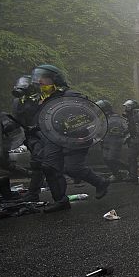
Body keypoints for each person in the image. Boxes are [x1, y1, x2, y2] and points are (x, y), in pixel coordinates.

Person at [30, 64, 109, 212]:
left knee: (72, 168)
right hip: (54, 139)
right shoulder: (41, 100)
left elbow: (90, 114)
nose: (40, 82)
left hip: (75, 137)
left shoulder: (71, 96)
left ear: (55, 80)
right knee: (50, 167)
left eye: (44, 79)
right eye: (38, 79)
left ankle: (100, 182)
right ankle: (60, 201)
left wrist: (75, 127)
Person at [95, 100, 128, 181]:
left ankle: (128, 169)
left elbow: (124, 129)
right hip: (106, 142)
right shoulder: (105, 119)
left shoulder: (116, 118)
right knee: (106, 159)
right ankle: (117, 174)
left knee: (111, 159)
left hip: (114, 142)